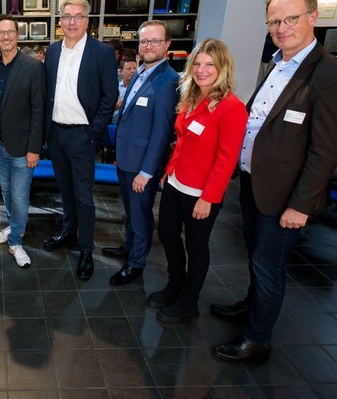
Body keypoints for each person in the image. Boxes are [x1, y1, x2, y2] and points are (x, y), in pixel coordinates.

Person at [212, 0, 337, 363]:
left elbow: (325, 151)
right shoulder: (277, 64)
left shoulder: (331, 76)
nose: (281, 27)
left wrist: (301, 206)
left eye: (290, 18)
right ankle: (251, 304)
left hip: (285, 196)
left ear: (313, 17)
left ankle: (258, 339)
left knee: (269, 263)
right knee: (255, 255)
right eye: (274, 21)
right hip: (253, 183)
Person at [152, 39, 247, 324]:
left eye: (210, 65)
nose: (202, 70)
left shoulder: (231, 107)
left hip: (201, 193)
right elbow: (182, 141)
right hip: (176, 182)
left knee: (196, 246)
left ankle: (188, 300)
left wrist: (209, 197)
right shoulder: (191, 97)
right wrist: (170, 171)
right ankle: (174, 285)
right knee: (167, 235)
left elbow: (226, 159)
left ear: (222, 68)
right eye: (198, 63)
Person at [42, 0, 117, 280]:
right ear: (60, 21)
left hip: (82, 135)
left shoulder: (102, 52)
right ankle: (68, 232)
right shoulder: (52, 51)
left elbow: (110, 97)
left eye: (78, 16)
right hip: (56, 134)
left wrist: (93, 132)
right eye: (67, 16)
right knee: (65, 189)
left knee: (84, 195)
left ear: (87, 20)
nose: (72, 22)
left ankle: (86, 249)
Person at [106, 20, 179, 286]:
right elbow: (127, 118)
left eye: (155, 41)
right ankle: (128, 246)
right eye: (144, 41)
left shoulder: (169, 82)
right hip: (126, 159)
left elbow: (162, 133)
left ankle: (136, 263)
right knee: (130, 211)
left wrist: (147, 172)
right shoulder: (139, 73)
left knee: (141, 214)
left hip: (142, 167)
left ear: (167, 45)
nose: (148, 46)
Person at [0, 15, 45, 268]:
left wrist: (34, 148)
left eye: (10, 32)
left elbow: (38, 110)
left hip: (22, 148)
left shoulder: (32, 67)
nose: (5, 36)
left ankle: (16, 239)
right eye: (1, 32)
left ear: (17, 35)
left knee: (19, 196)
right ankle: (13, 226)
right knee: (6, 192)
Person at [112, 58, 138, 124]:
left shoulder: (142, 89)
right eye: (129, 68)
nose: (132, 71)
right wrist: (117, 106)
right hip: (115, 125)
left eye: (135, 68)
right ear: (121, 72)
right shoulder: (114, 88)